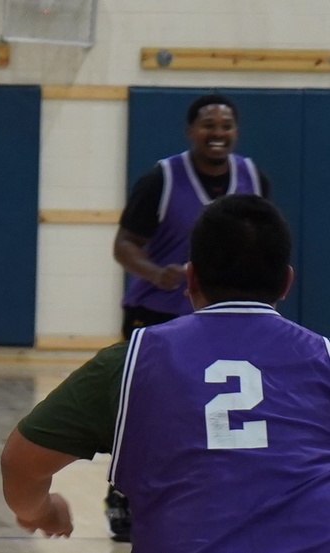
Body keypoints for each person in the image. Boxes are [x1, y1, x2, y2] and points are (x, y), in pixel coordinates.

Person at [1, 195, 330, 551]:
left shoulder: (130, 362)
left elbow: (20, 464)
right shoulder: (324, 356)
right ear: (286, 282)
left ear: (191, 278)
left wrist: (41, 512)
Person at [108, 92, 271, 540]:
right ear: (190, 131)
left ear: (235, 131)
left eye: (225, 126)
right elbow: (123, 244)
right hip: (157, 315)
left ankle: (218, 493)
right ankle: (122, 495)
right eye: (208, 125)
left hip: (226, 319)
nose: (217, 134)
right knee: (150, 412)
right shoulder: (161, 179)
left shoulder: (253, 177)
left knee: (216, 414)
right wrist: (157, 273)